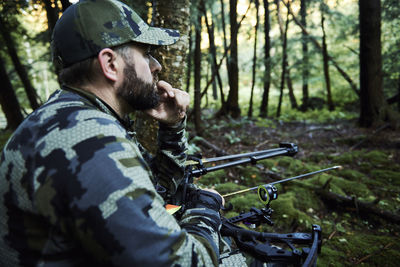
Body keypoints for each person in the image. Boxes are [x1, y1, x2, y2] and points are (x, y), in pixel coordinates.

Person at [0, 0, 228, 265]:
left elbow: (156, 193)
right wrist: (206, 212)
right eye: (145, 53)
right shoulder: (91, 141)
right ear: (110, 63)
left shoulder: (68, 117)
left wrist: (172, 126)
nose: (156, 66)